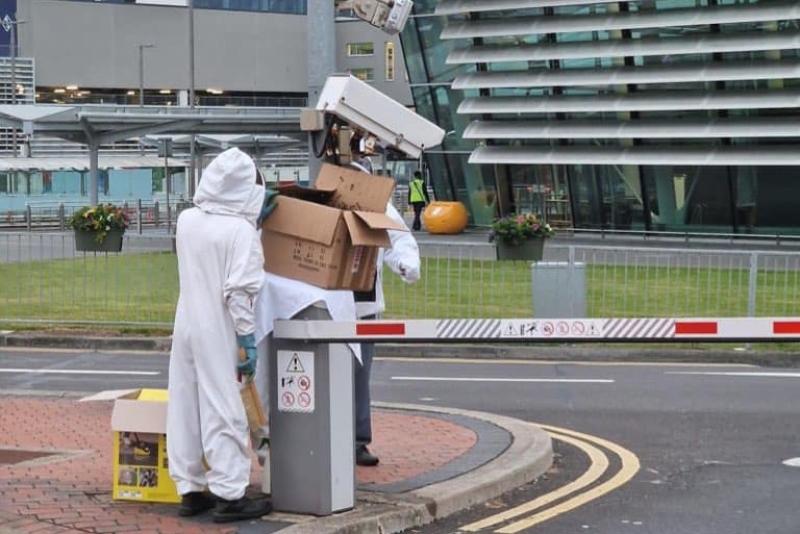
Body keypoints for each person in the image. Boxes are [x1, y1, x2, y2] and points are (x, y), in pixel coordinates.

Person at [166, 147, 276, 523]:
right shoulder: (241, 232)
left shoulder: (187, 220)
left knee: (185, 402)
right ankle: (230, 495)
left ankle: (190, 489)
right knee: (224, 405)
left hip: (186, 323)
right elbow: (239, 293)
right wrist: (246, 340)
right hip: (219, 325)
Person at [354, 203, 420, 466]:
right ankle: (328, 438)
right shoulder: (321, 196)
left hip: (362, 305)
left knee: (358, 375)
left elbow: (397, 238)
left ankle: (356, 440)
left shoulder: (376, 201)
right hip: (325, 304)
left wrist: (406, 263)